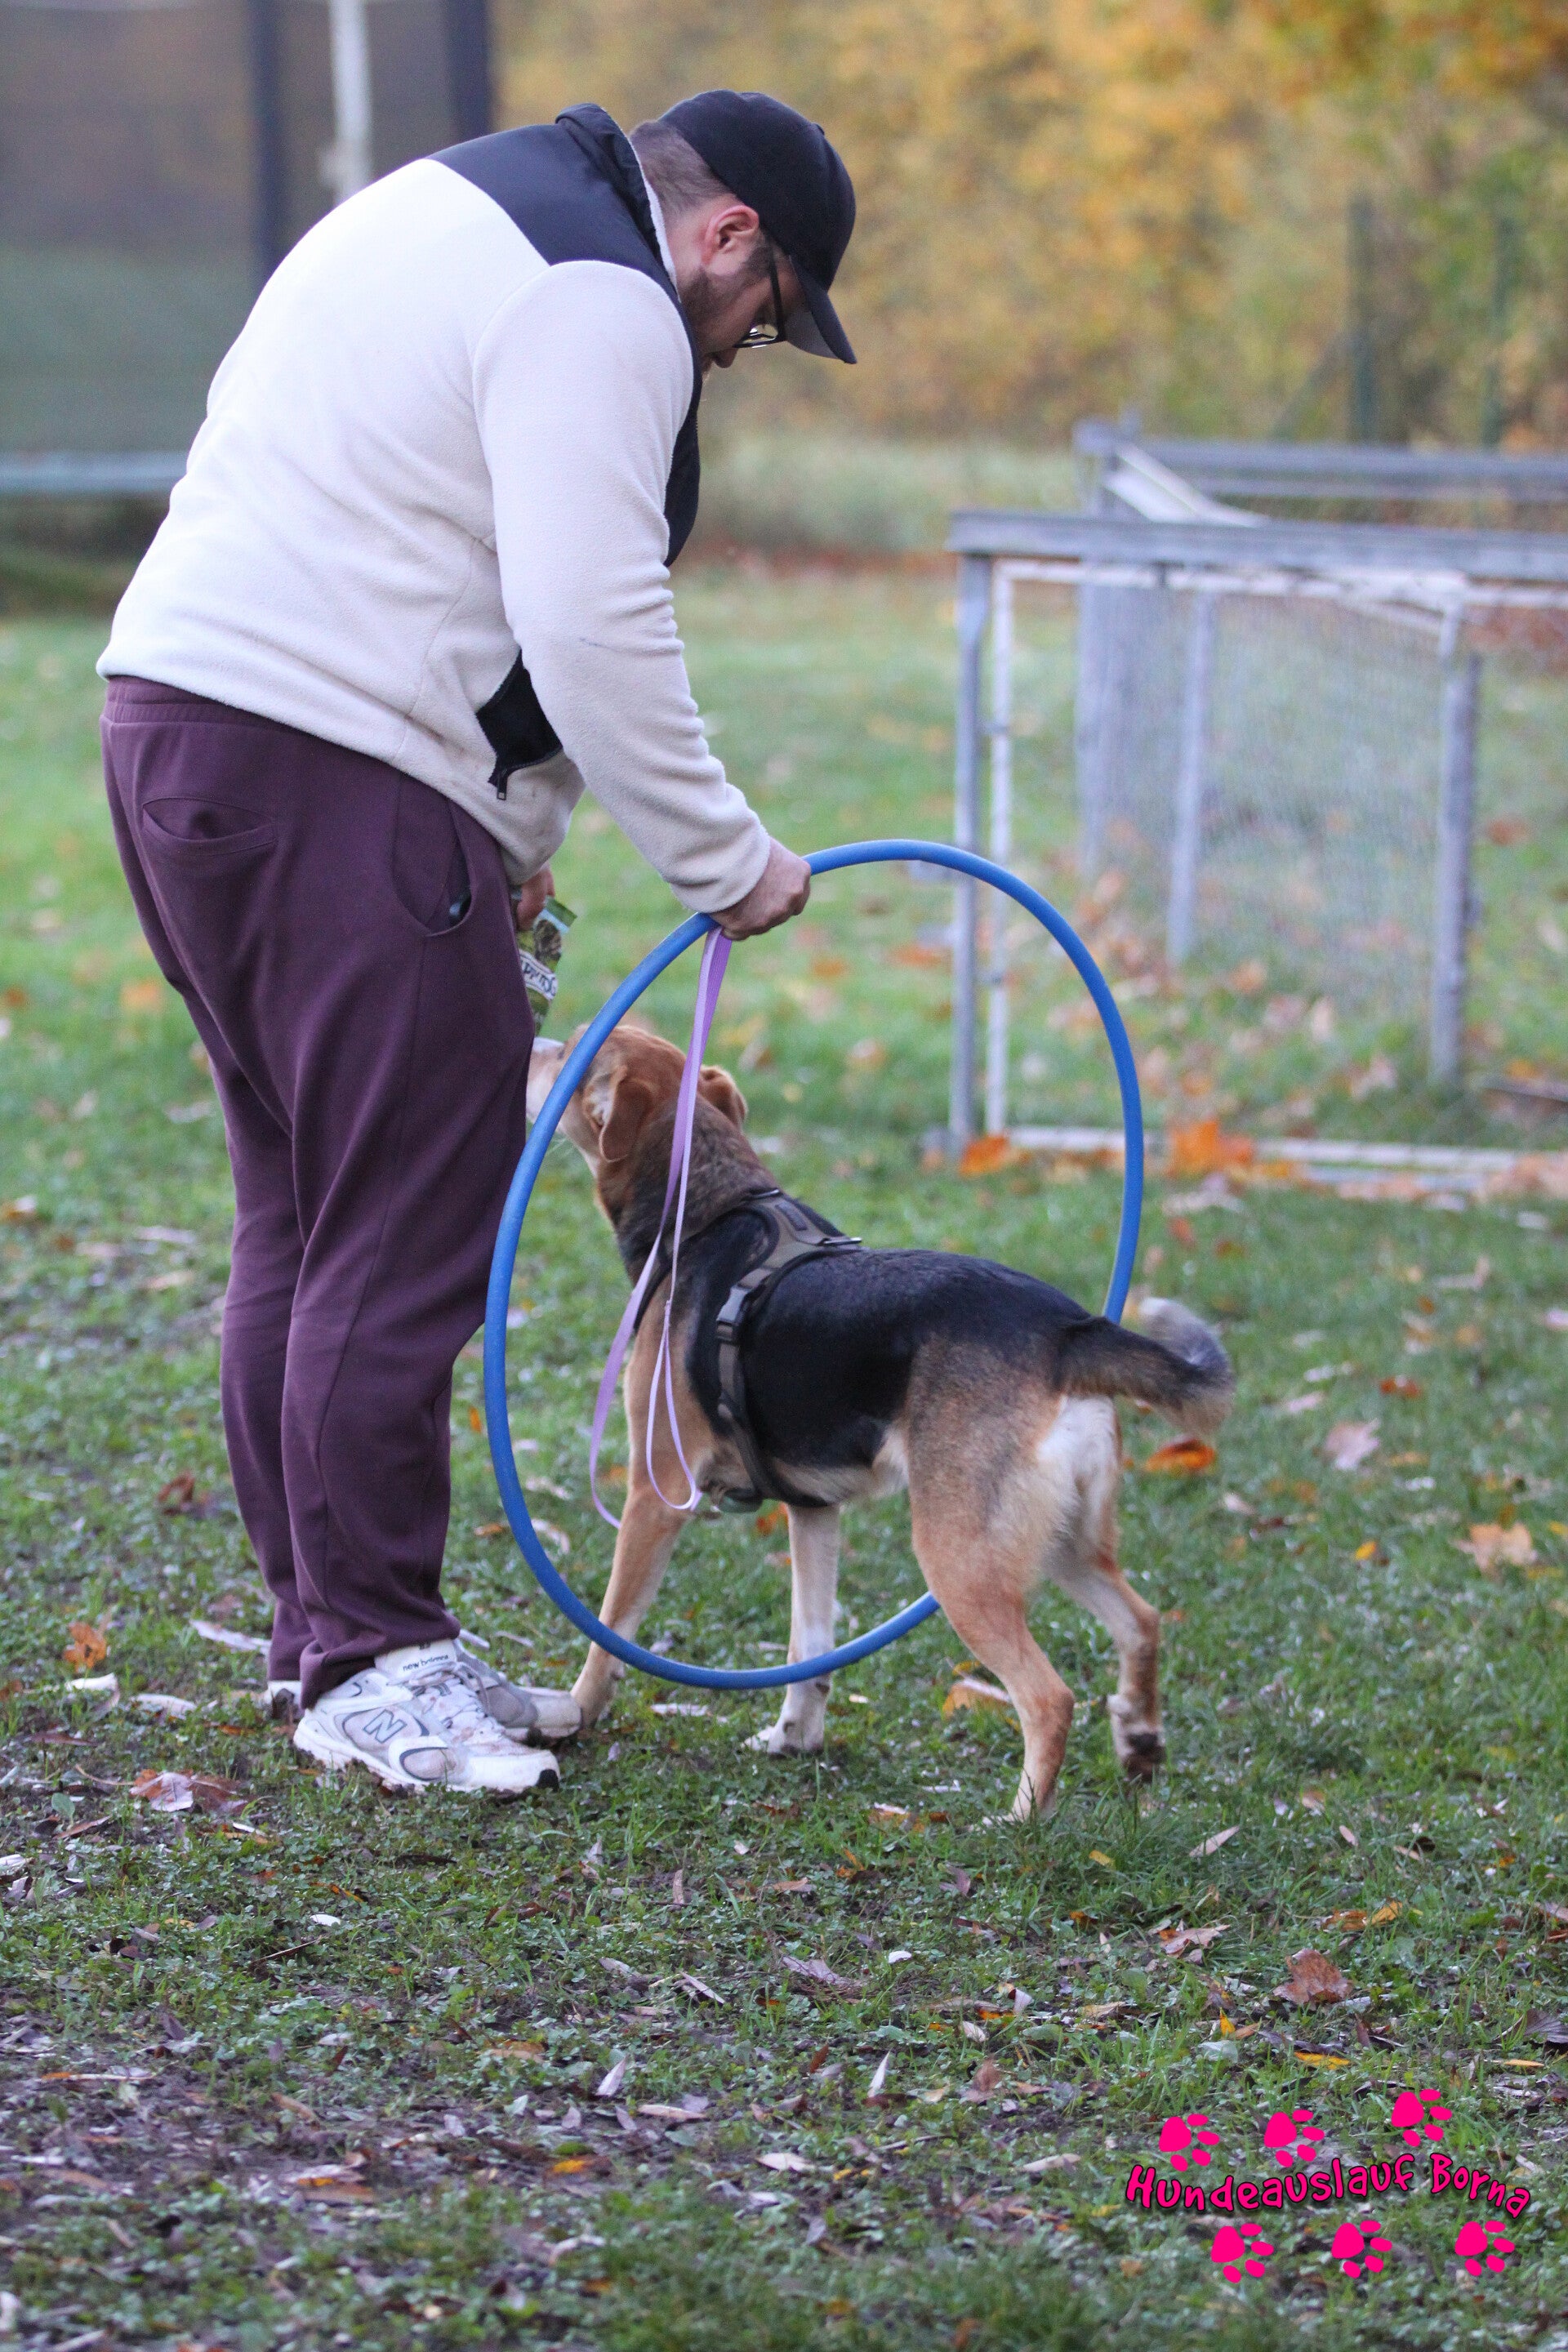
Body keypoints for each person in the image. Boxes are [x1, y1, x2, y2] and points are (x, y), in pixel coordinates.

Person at [97, 91, 857, 1794]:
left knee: (306, 1211)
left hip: (185, 737)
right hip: (337, 770)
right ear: (730, 236)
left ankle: (328, 1639)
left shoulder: (452, 205)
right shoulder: (604, 294)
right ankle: (374, 1663)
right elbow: (587, 611)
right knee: (400, 1229)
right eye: (767, 316)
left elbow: (438, 539)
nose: (738, 351)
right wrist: (723, 856)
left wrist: (501, 831)